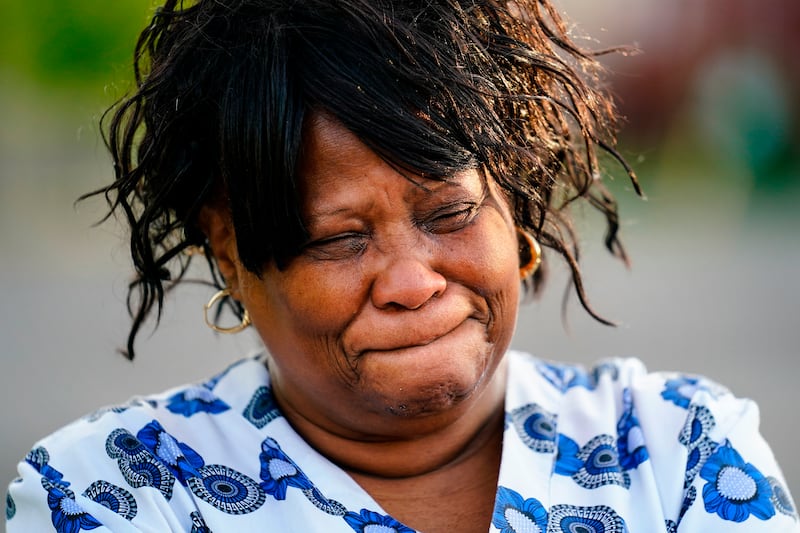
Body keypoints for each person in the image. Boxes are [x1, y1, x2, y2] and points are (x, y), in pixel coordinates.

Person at [5, 0, 797, 531]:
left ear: (516, 206)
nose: (412, 282)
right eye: (338, 238)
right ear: (230, 251)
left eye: (449, 213)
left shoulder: (683, 452)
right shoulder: (111, 493)